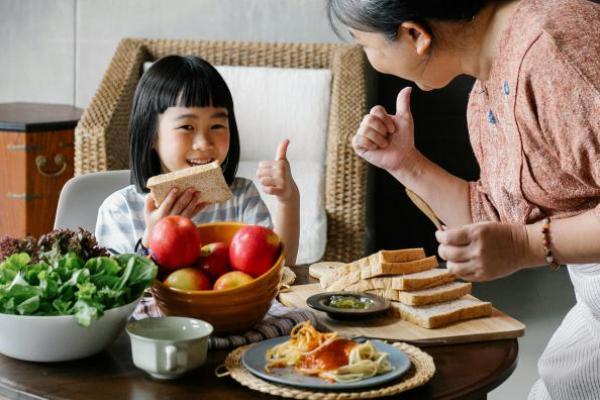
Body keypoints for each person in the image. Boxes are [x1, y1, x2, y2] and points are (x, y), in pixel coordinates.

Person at [328, 0, 600, 398]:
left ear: (415, 35)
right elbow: (498, 217)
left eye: (364, 44)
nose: (369, 59)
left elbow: (517, 237)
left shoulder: (554, 49)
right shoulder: (486, 87)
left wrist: (525, 246)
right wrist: (406, 163)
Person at [95, 55, 300, 265]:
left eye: (217, 126)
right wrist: (151, 240)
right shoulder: (121, 210)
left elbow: (280, 270)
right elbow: (118, 293)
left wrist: (288, 200)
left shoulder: (241, 198)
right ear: (151, 135)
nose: (204, 143)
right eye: (187, 127)